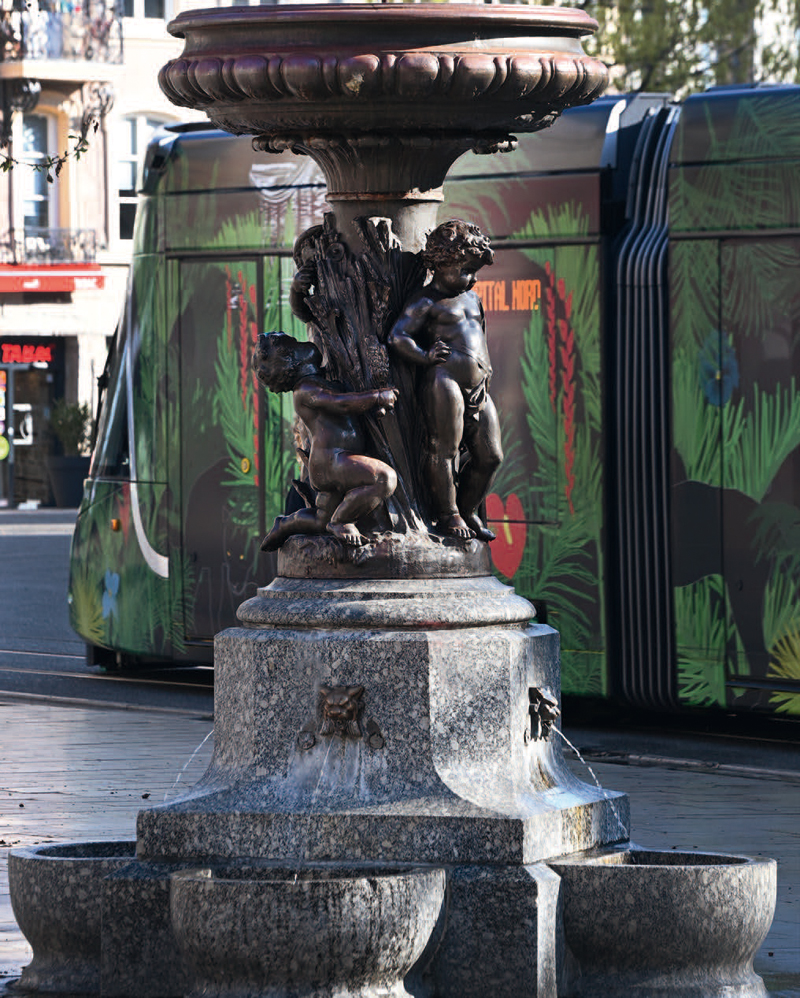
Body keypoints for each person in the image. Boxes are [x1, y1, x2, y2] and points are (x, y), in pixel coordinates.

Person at [388, 219, 502, 540]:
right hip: (444, 380)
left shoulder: (472, 297)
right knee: (445, 449)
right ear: (442, 264)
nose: (472, 278)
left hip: (479, 387)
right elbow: (398, 337)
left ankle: (468, 509)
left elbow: (479, 336)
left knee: (491, 455)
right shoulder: (426, 300)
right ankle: (448, 514)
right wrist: (424, 357)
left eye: (474, 272)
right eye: (466, 270)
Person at [252, 332, 398, 550]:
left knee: (320, 520)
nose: (307, 346)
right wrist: (376, 397)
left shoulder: (314, 383)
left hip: (331, 461)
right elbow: (340, 404)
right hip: (332, 462)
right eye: (297, 346)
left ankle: (284, 524)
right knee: (384, 479)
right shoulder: (305, 389)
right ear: (290, 362)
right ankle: (341, 521)